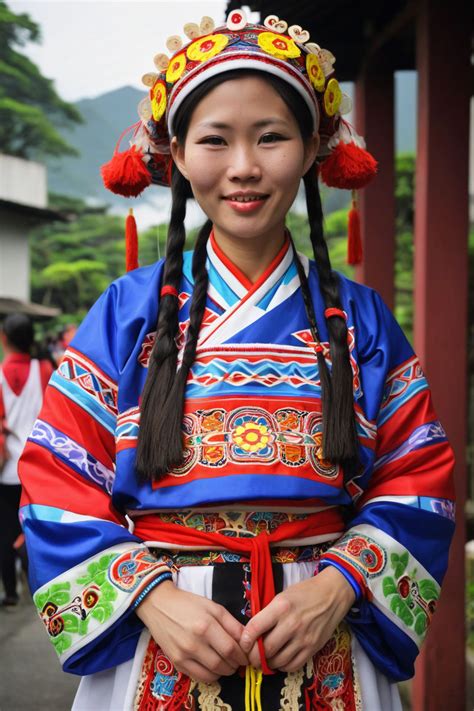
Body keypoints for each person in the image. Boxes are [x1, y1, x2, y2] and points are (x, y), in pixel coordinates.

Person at [19, 9, 456, 710]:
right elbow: (57, 477)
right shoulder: (127, 314)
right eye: (216, 140)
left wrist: (339, 584)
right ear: (178, 153)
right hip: (163, 636)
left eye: (273, 137)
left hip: (324, 628)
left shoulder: (362, 320)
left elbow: (418, 475)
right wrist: (151, 598)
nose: (245, 167)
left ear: (314, 146)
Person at [0, 313, 53, 605]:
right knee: (37, 528)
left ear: (4, 339)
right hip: (38, 465)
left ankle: (9, 592)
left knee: (5, 531)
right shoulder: (44, 369)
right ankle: (42, 588)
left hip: (6, 468)